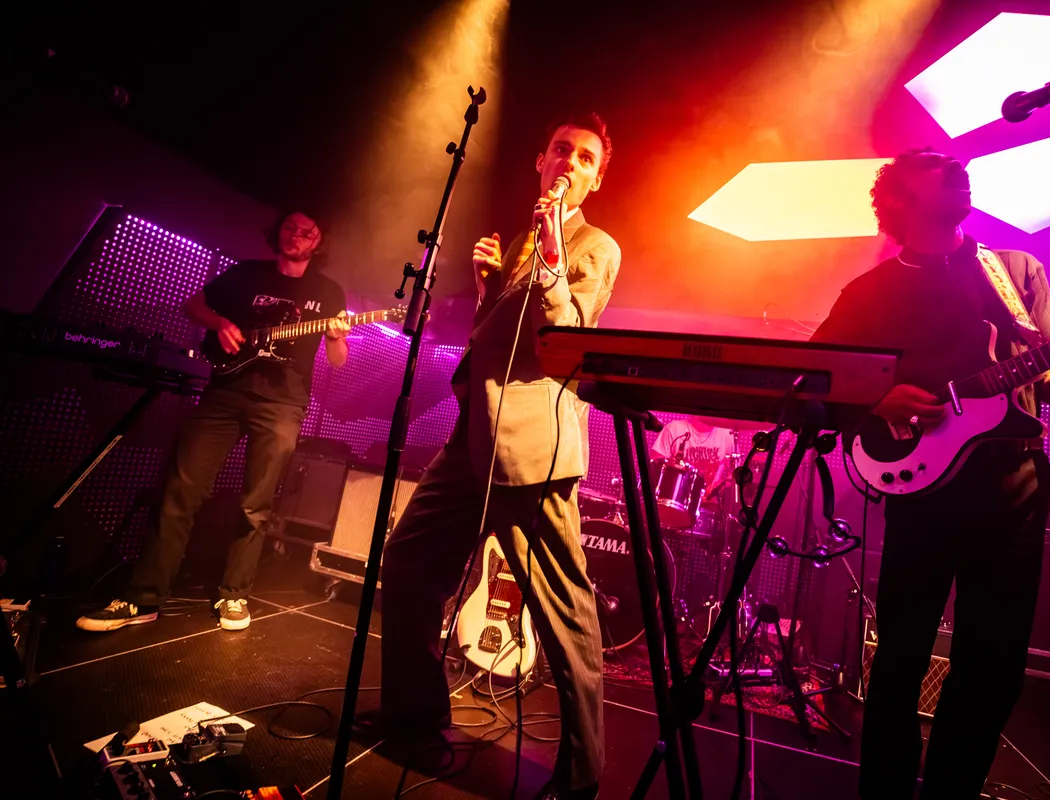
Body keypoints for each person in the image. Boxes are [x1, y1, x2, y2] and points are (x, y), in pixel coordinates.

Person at [808, 148, 1050, 799]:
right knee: (900, 659)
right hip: (924, 491)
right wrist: (877, 400)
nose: (957, 170)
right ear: (899, 200)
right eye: (936, 167)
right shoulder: (872, 291)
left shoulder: (1015, 270)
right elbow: (815, 377)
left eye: (957, 167)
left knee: (993, 664)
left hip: (1016, 485)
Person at [371, 114, 620, 800]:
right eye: (561, 150)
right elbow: (498, 339)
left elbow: (564, 334)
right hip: (474, 435)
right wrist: (487, 286)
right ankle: (414, 716)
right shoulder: (518, 241)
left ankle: (582, 776)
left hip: (534, 447)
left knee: (563, 614)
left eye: (585, 157)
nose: (570, 162)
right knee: (409, 561)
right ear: (540, 161)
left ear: (596, 180)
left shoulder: (595, 245)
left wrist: (550, 250)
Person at [77, 211, 349, 633]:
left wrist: (336, 337)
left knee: (256, 503)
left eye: (306, 232)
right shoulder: (246, 273)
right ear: (277, 232)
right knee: (180, 491)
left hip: (282, 404)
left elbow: (338, 360)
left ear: (318, 242)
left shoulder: (329, 292)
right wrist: (221, 323)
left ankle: (234, 594)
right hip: (224, 392)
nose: (296, 236)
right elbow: (193, 304)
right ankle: (142, 598)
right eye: (289, 228)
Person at [650, 417, 736, 525]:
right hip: (675, 501)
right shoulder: (674, 428)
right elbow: (655, 464)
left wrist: (719, 486)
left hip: (708, 507)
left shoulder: (727, 435)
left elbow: (733, 474)